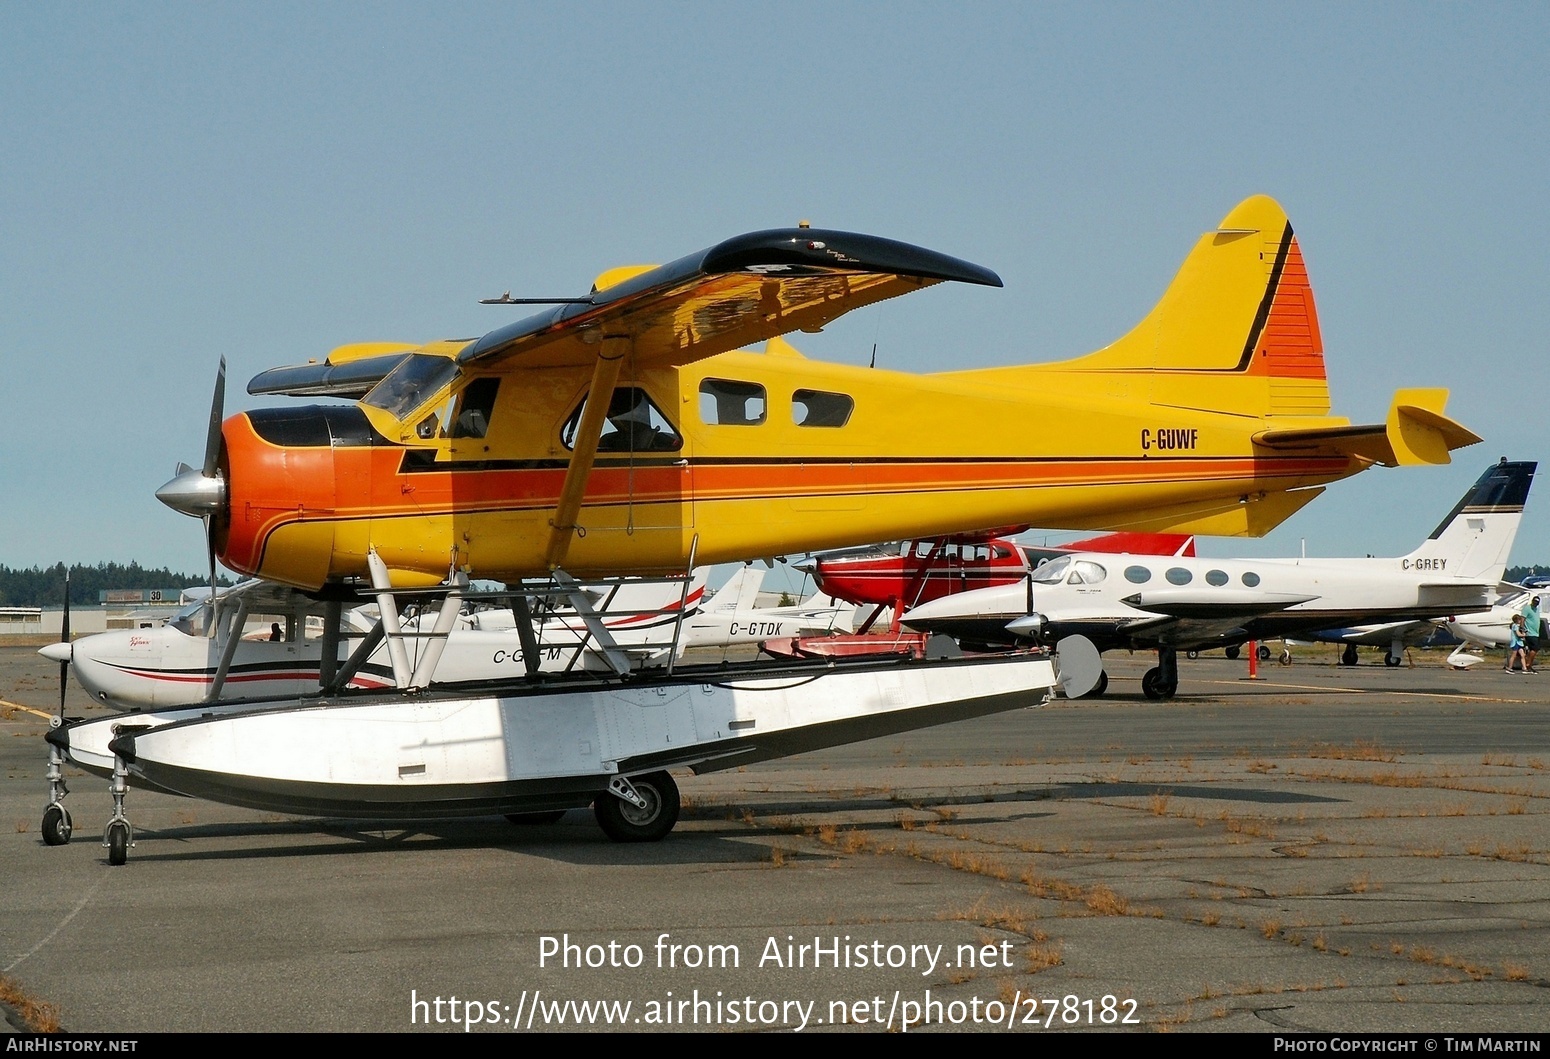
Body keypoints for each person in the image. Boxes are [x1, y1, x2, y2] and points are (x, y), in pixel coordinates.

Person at [1521, 596, 1543, 674]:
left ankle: (1528, 664)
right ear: (1532, 601)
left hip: (1536, 632)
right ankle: (1528, 664)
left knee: (1533, 649)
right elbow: (1523, 619)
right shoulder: (1527, 608)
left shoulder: (1536, 609)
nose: (1535, 604)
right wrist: (1522, 629)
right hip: (1530, 632)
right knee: (1535, 649)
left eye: (1537, 602)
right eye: (1535, 602)